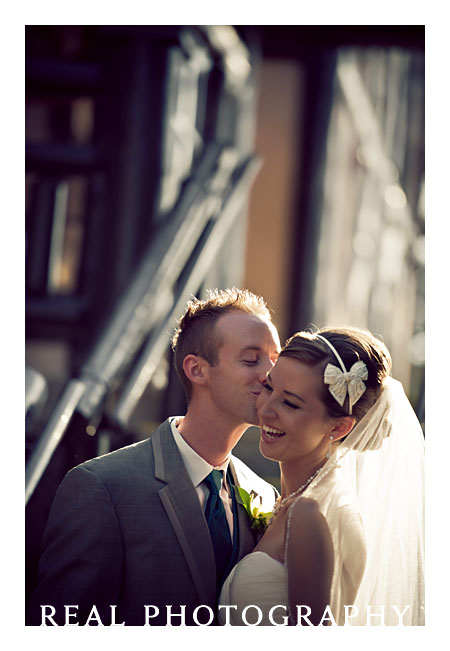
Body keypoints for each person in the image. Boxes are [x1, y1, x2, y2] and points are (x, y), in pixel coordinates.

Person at [27, 288, 280, 626]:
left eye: (275, 360)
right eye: (251, 360)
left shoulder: (265, 494)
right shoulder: (101, 488)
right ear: (197, 370)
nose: (270, 375)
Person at [219, 326, 425, 626]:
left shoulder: (309, 512)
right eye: (268, 386)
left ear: (339, 428)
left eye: (290, 403)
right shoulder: (302, 499)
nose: (265, 409)